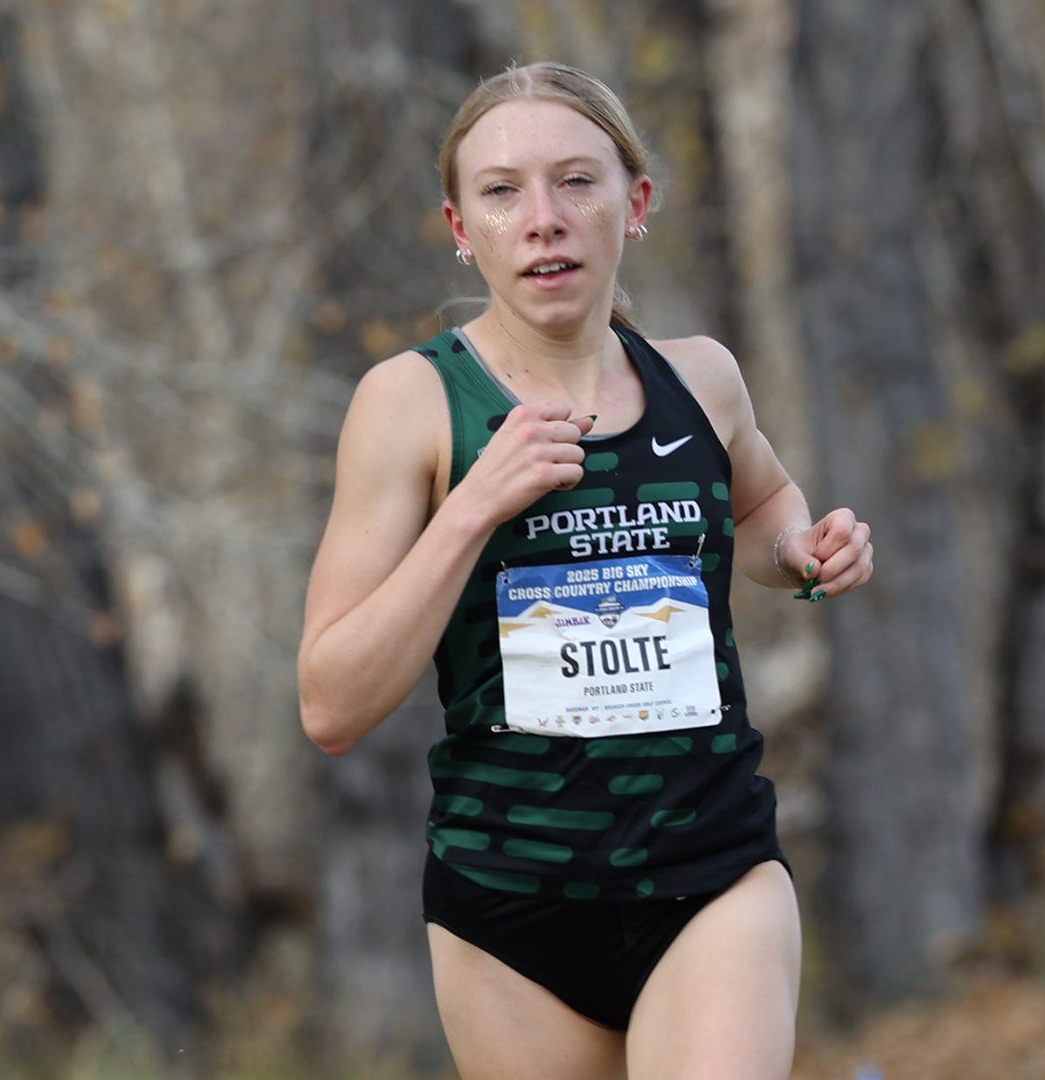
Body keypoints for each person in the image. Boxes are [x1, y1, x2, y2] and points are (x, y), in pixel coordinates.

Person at [296, 62, 874, 1079]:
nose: (543, 220)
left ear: (635, 203)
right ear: (461, 226)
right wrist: (474, 504)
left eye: (576, 182)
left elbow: (765, 507)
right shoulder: (413, 404)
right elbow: (332, 703)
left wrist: (802, 555)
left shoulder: (702, 378)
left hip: (710, 872)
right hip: (511, 907)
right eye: (503, 191)